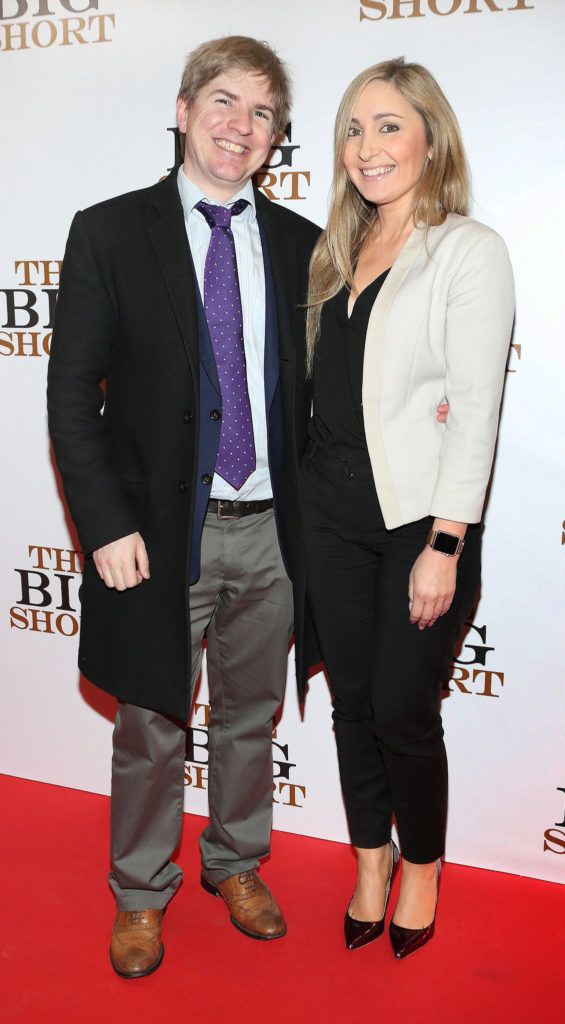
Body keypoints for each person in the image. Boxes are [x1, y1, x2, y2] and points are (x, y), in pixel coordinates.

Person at [47, 35, 321, 979]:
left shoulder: (302, 246)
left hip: (275, 535)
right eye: (224, 103)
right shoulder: (109, 231)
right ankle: (138, 890)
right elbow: (71, 400)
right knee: (152, 722)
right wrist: (106, 525)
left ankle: (237, 864)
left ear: (276, 136)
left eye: (261, 113)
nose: (240, 126)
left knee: (249, 719)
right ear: (182, 108)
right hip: (164, 537)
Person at [300, 58, 514, 959]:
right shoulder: (333, 253)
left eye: (388, 125)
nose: (367, 147)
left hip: (416, 524)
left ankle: (421, 865)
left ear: (429, 136)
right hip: (329, 517)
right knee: (351, 702)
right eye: (353, 128)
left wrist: (445, 542)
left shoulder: (466, 248)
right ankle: (369, 862)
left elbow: (474, 408)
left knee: (399, 706)